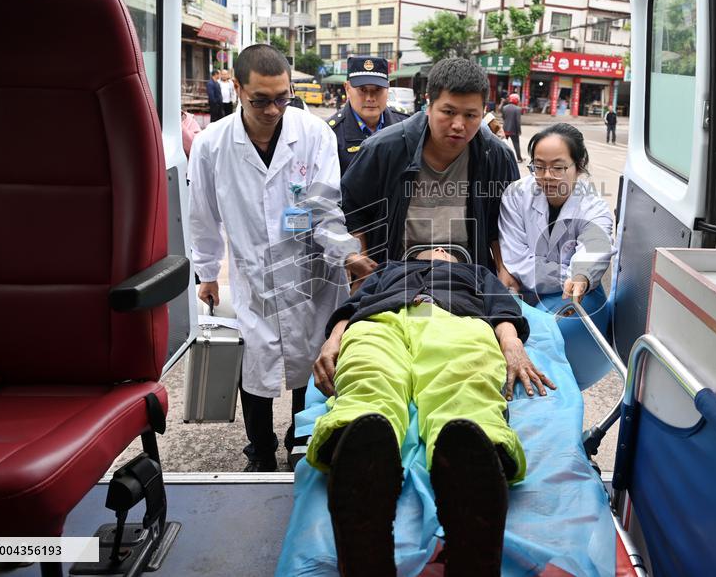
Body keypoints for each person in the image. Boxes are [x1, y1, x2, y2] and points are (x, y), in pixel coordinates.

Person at [308, 247, 555, 576]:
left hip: (458, 321)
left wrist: (512, 345)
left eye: (448, 249)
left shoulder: (478, 273)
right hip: (380, 322)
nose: (440, 248)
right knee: (367, 373)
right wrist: (332, 341)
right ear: (415, 256)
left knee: (466, 379)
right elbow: (351, 308)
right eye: (433, 247)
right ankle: (357, 450)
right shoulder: (387, 270)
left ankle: (475, 458)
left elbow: (502, 309)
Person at [188, 44, 376, 472]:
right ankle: (259, 448)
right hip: (255, 272)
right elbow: (202, 215)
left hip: (313, 268)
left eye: (282, 97)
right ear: (237, 88)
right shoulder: (211, 145)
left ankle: (300, 437)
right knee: (255, 362)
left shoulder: (313, 135)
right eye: (261, 100)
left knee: (313, 358)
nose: (274, 109)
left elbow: (326, 209)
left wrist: (347, 256)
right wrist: (207, 272)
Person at [341, 58, 520, 287]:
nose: (458, 124)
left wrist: (504, 271)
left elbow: (504, 222)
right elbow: (353, 209)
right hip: (395, 279)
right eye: (448, 111)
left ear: (484, 111)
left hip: (468, 280)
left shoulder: (495, 157)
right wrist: (363, 271)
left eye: (471, 115)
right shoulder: (384, 149)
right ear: (428, 104)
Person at [498, 123, 614, 313]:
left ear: (579, 165)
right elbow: (516, 259)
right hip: (524, 294)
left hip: (576, 295)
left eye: (558, 168)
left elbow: (595, 245)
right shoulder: (516, 195)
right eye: (539, 167)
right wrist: (568, 273)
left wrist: (581, 274)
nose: (547, 176)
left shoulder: (593, 206)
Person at [326, 56, 409, 176]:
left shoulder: (405, 125)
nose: (370, 98)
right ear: (347, 88)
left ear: (387, 88)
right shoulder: (330, 134)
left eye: (378, 89)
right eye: (363, 90)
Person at [501, 93, 524, 162]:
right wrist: (519, 131)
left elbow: (503, 118)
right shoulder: (518, 109)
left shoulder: (505, 107)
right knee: (516, 144)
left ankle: (502, 157)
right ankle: (519, 158)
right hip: (514, 130)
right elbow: (518, 121)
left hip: (505, 129)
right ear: (517, 100)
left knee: (503, 144)